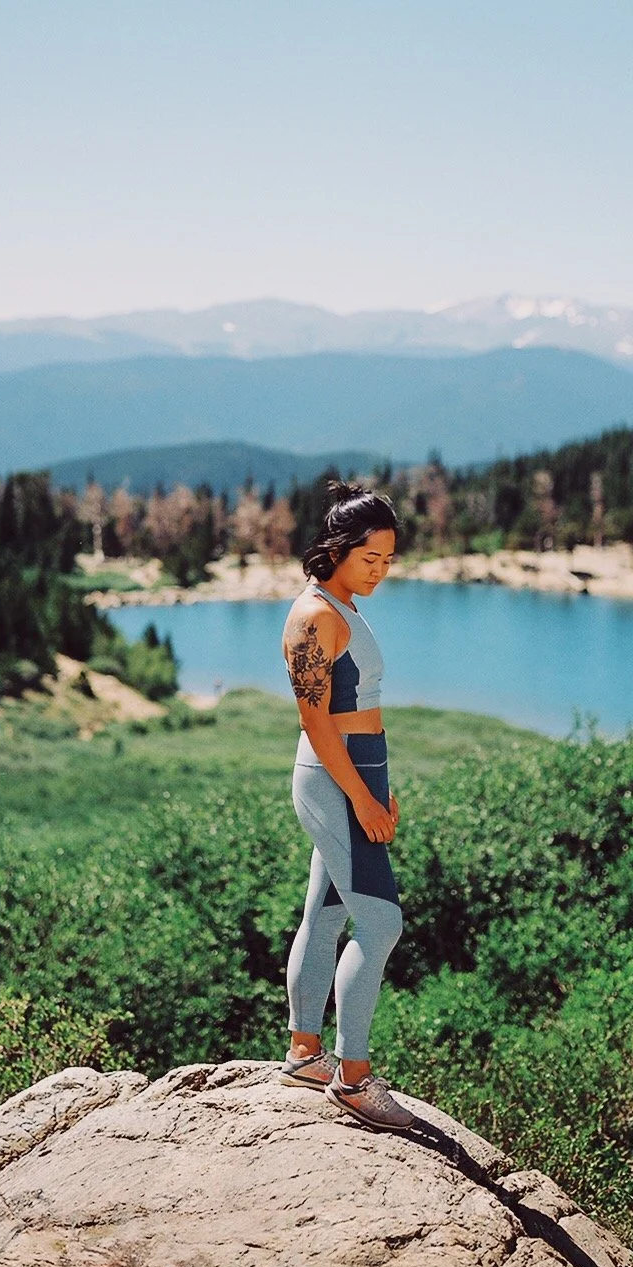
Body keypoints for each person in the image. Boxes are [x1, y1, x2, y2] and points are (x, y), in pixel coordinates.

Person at [276, 483, 413, 1131]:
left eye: (389, 560)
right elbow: (316, 719)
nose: (380, 570)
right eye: (371, 558)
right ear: (337, 549)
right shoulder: (314, 616)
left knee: (326, 911)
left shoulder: (340, 603)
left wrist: (378, 782)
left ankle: (306, 1053)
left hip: (355, 777)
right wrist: (361, 796)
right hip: (335, 781)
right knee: (381, 923)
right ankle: (353, 1079)